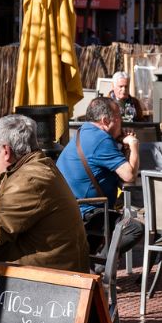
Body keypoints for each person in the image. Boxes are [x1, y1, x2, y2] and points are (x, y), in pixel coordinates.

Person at [0, 115, 89, 272]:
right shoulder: (37, 165)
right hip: (54, 268)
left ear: (5, 151)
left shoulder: (27, 181)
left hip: (48, 282)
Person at [56, 97, 144, 254]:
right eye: (119, 117)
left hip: (70, 208)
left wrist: (119, 144)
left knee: (112, 219)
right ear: (105, 120)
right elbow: (129, 175)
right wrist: (134, 145)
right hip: (88, 212)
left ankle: (91, 262)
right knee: (134, 228)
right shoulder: (101, 140)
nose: (121, 122)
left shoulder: (84, 131)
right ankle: (102, 265)